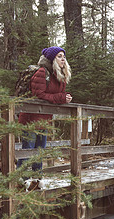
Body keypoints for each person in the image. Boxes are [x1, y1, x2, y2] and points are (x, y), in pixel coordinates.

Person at [17, 46, 73, 174]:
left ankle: (37, 180)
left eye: (64, 56)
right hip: (30, 119)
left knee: (40, 152)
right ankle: (20, 179)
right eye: (59, 56)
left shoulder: (59, 75)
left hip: (44, 119)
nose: (63, 59)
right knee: (28, 151)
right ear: (53, 59)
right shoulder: (42, 72)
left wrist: (65, 97)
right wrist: (61, 97)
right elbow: (39, 95)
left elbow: (55, 95)